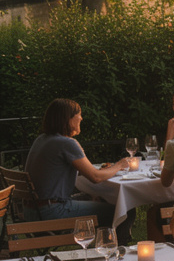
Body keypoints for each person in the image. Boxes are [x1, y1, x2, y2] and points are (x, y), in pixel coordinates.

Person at [24, 99, 128, 233]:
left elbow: (62, 171)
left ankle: (103, 246)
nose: (81, 118)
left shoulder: (42, 139)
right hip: (52, 212)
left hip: (31, 212)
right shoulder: (67, 143)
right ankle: (116, 251)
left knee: (96, 197)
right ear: (68, 118)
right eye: (78, 114)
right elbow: (95, 177)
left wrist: (103, 171)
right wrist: (119, 165)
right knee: (121, 211)